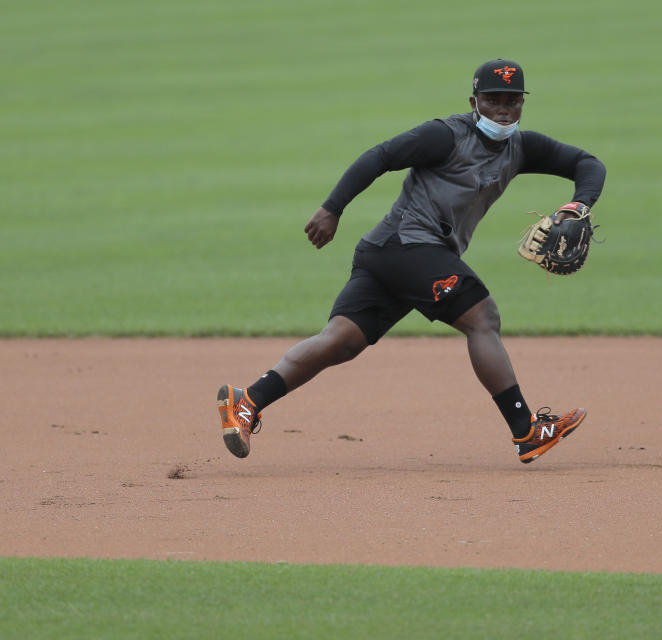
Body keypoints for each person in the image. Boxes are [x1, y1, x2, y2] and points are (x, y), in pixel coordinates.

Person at [217, 59, 606, 464]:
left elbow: (588, 164)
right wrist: (333, 208)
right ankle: (526, 431)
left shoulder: (521, 147)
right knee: (482, 318)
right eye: (493, 100)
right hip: (408, 246)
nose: (503, 109)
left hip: (393, 254)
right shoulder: (446, 136)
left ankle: (246, 401)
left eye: (513, 100)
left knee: (341, 341)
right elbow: (381, 155)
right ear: (474, 101)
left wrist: (576, 204)